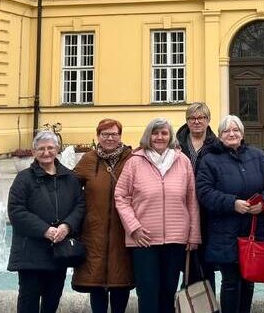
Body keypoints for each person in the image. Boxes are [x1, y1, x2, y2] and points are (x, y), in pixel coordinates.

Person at [114, 117, 200, 313]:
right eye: (155, 133)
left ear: (170, 136)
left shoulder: (183, 161)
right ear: (148, 135)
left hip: (176, 238)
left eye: (164, 133)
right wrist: (133, 227)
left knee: (168, 292)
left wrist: (193, 235)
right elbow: (121, 196)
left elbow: (191, 199)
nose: (159, 137)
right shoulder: (135, 162)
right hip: (144, 239)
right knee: (148, 293)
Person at [196, 114, 264, 313]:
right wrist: (232, 203)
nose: (232, 134)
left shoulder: (258, 156)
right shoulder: (209, 159)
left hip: (253, 227)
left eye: (236, 130)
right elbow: (204, 192)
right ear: (220, 135)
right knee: (230, 281)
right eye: (226, 131)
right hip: (224, 230)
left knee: (249, 279)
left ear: (242, 133)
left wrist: (263, 201)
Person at [8, 130, 86, 313]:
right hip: (31, 254)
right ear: (34, 152)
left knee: (52, 301)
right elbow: (16, 211)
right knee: (28, 302)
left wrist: (67, 226)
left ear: (57, 150)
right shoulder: (24, 178)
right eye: (41, 149)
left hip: (59, 252)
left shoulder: (70, 178)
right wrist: (45, 230)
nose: (46, 152)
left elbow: (80, 205)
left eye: (50, 148)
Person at [72, 118, 134, 313]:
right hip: (94, 231)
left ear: (120, 136)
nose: (109, 138)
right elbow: (70, 188)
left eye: (114, 134)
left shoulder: (131, 158)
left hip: (122, 230)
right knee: (96, 282)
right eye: (105, 134)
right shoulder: (89, 160)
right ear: (98, 136)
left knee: (121, 280)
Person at [175, 102, 217, 290]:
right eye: (192, 118)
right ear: (187, 121)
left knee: (206, 262)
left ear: (208, 120)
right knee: (182, 261)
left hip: (208, 210)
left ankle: (207, 303)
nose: (197, 121)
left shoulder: (217, 145)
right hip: (181, 208)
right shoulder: (176, 144)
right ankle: (187, 303)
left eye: (201, 118)